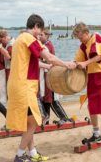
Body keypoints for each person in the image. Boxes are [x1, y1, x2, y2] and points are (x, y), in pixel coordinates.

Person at [6, 14, 76, 162]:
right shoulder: (29, 38)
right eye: (40, 30)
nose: (40, 34)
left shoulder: (19, 39)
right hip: (24, 86)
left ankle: (32, 153)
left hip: (16, 84)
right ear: (36, 26)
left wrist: (48, 66)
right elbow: (49, 56)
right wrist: (66, 64)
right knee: (35, 121)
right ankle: (19, 155)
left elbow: (33, 62)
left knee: (28, 122)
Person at [38, 29, 69, 125]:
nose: (39, 36)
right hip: (45, 72)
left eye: (41, 35)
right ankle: (48, 118)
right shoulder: (45, 45)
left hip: (48, 73)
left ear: (47, 36)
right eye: (39, 35)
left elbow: (49, 60)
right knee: (46, 98)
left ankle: (61, 117)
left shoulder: (47, 46)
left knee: (50, 98)